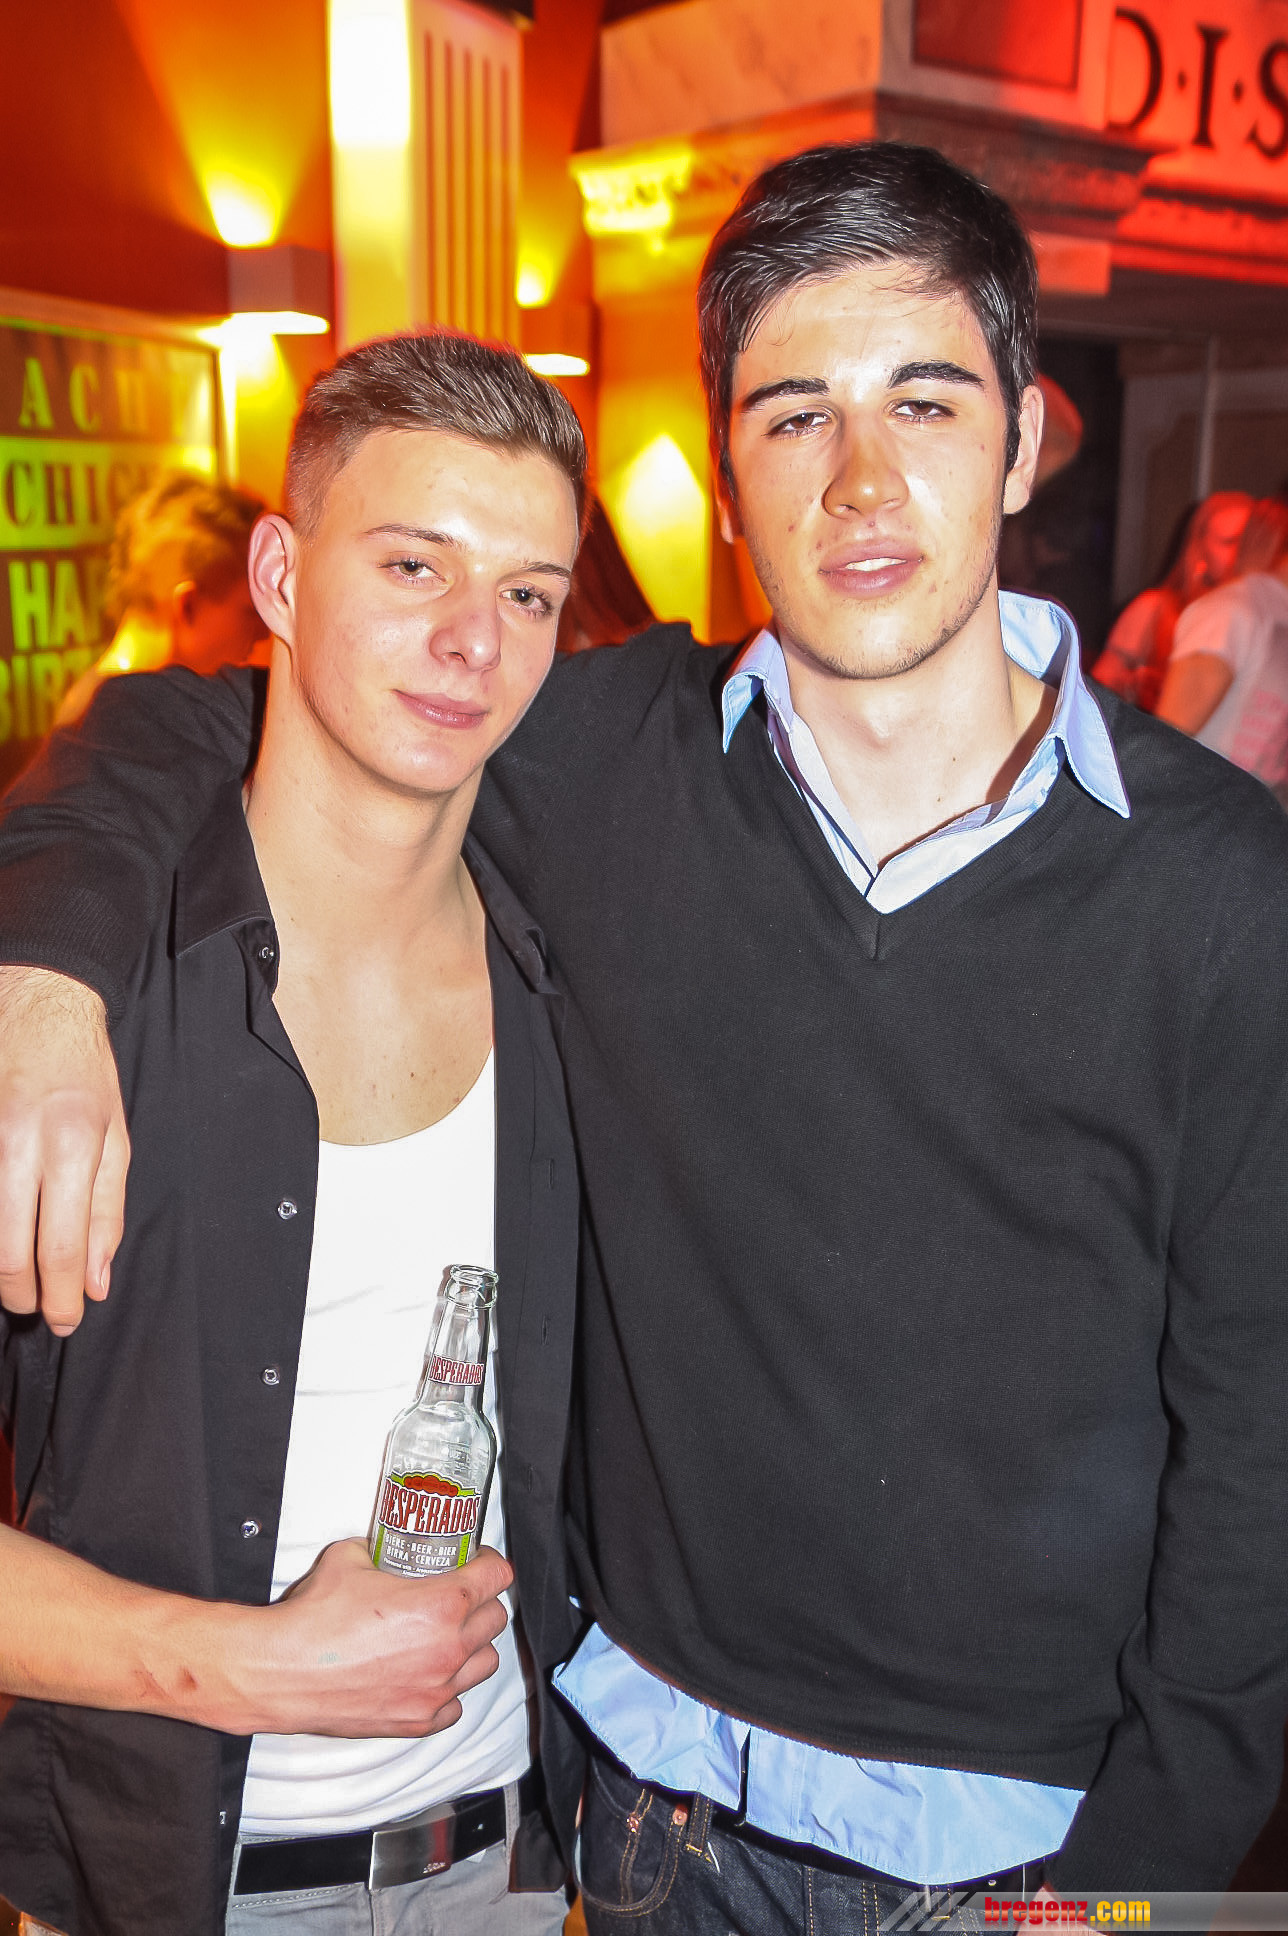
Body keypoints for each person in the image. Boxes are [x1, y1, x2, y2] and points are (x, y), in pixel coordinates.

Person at [3, 141, 1288, 1933]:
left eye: (922, 403)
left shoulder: (1222, 888)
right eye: (792, 417)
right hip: (632, 1828)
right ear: (730, 480)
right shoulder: (608, 764)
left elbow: (1259, 1466)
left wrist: (1138, 1894)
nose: (859, 478)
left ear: (1018, 443)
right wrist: (43, 971)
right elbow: (211, 720)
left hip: (1013, 1865)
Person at [0, 334, 585, 1935]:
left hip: (507, 1872)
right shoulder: (81, 1007)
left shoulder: (576, 982)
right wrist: (247, 1667)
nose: (472, 640)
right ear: (278, 573)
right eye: (412, 565)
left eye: (529, 593)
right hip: (167, 1889)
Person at [55, 472, 268, 726]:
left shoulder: (129, 708)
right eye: (251, 611)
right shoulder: (113, 722)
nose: (264, 632)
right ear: (187, 605)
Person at [1156, 497, 1288, 801]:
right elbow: (1165, 745)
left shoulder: (1248, 609)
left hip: (1256, 821)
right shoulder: (1231, 611)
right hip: (1207, 818)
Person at [1091, 490, 1251, 711]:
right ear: (1200, 549)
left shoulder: (1262, 619)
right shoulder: (1154, 607)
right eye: (1229, 542)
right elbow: (1098, 688)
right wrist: (1135, 684)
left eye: (1247, 544)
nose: (1239, 555)